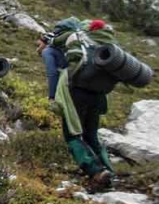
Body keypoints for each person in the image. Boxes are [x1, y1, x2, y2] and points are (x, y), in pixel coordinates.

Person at [43, 27, 114, 189]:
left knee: (72, 135)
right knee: (92, 135)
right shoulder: (97, 43)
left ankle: (95, 171)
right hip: (98, 94)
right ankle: (108, 171)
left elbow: (53, 74)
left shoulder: (59, 47)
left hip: (77, 93)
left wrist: (52, 96)